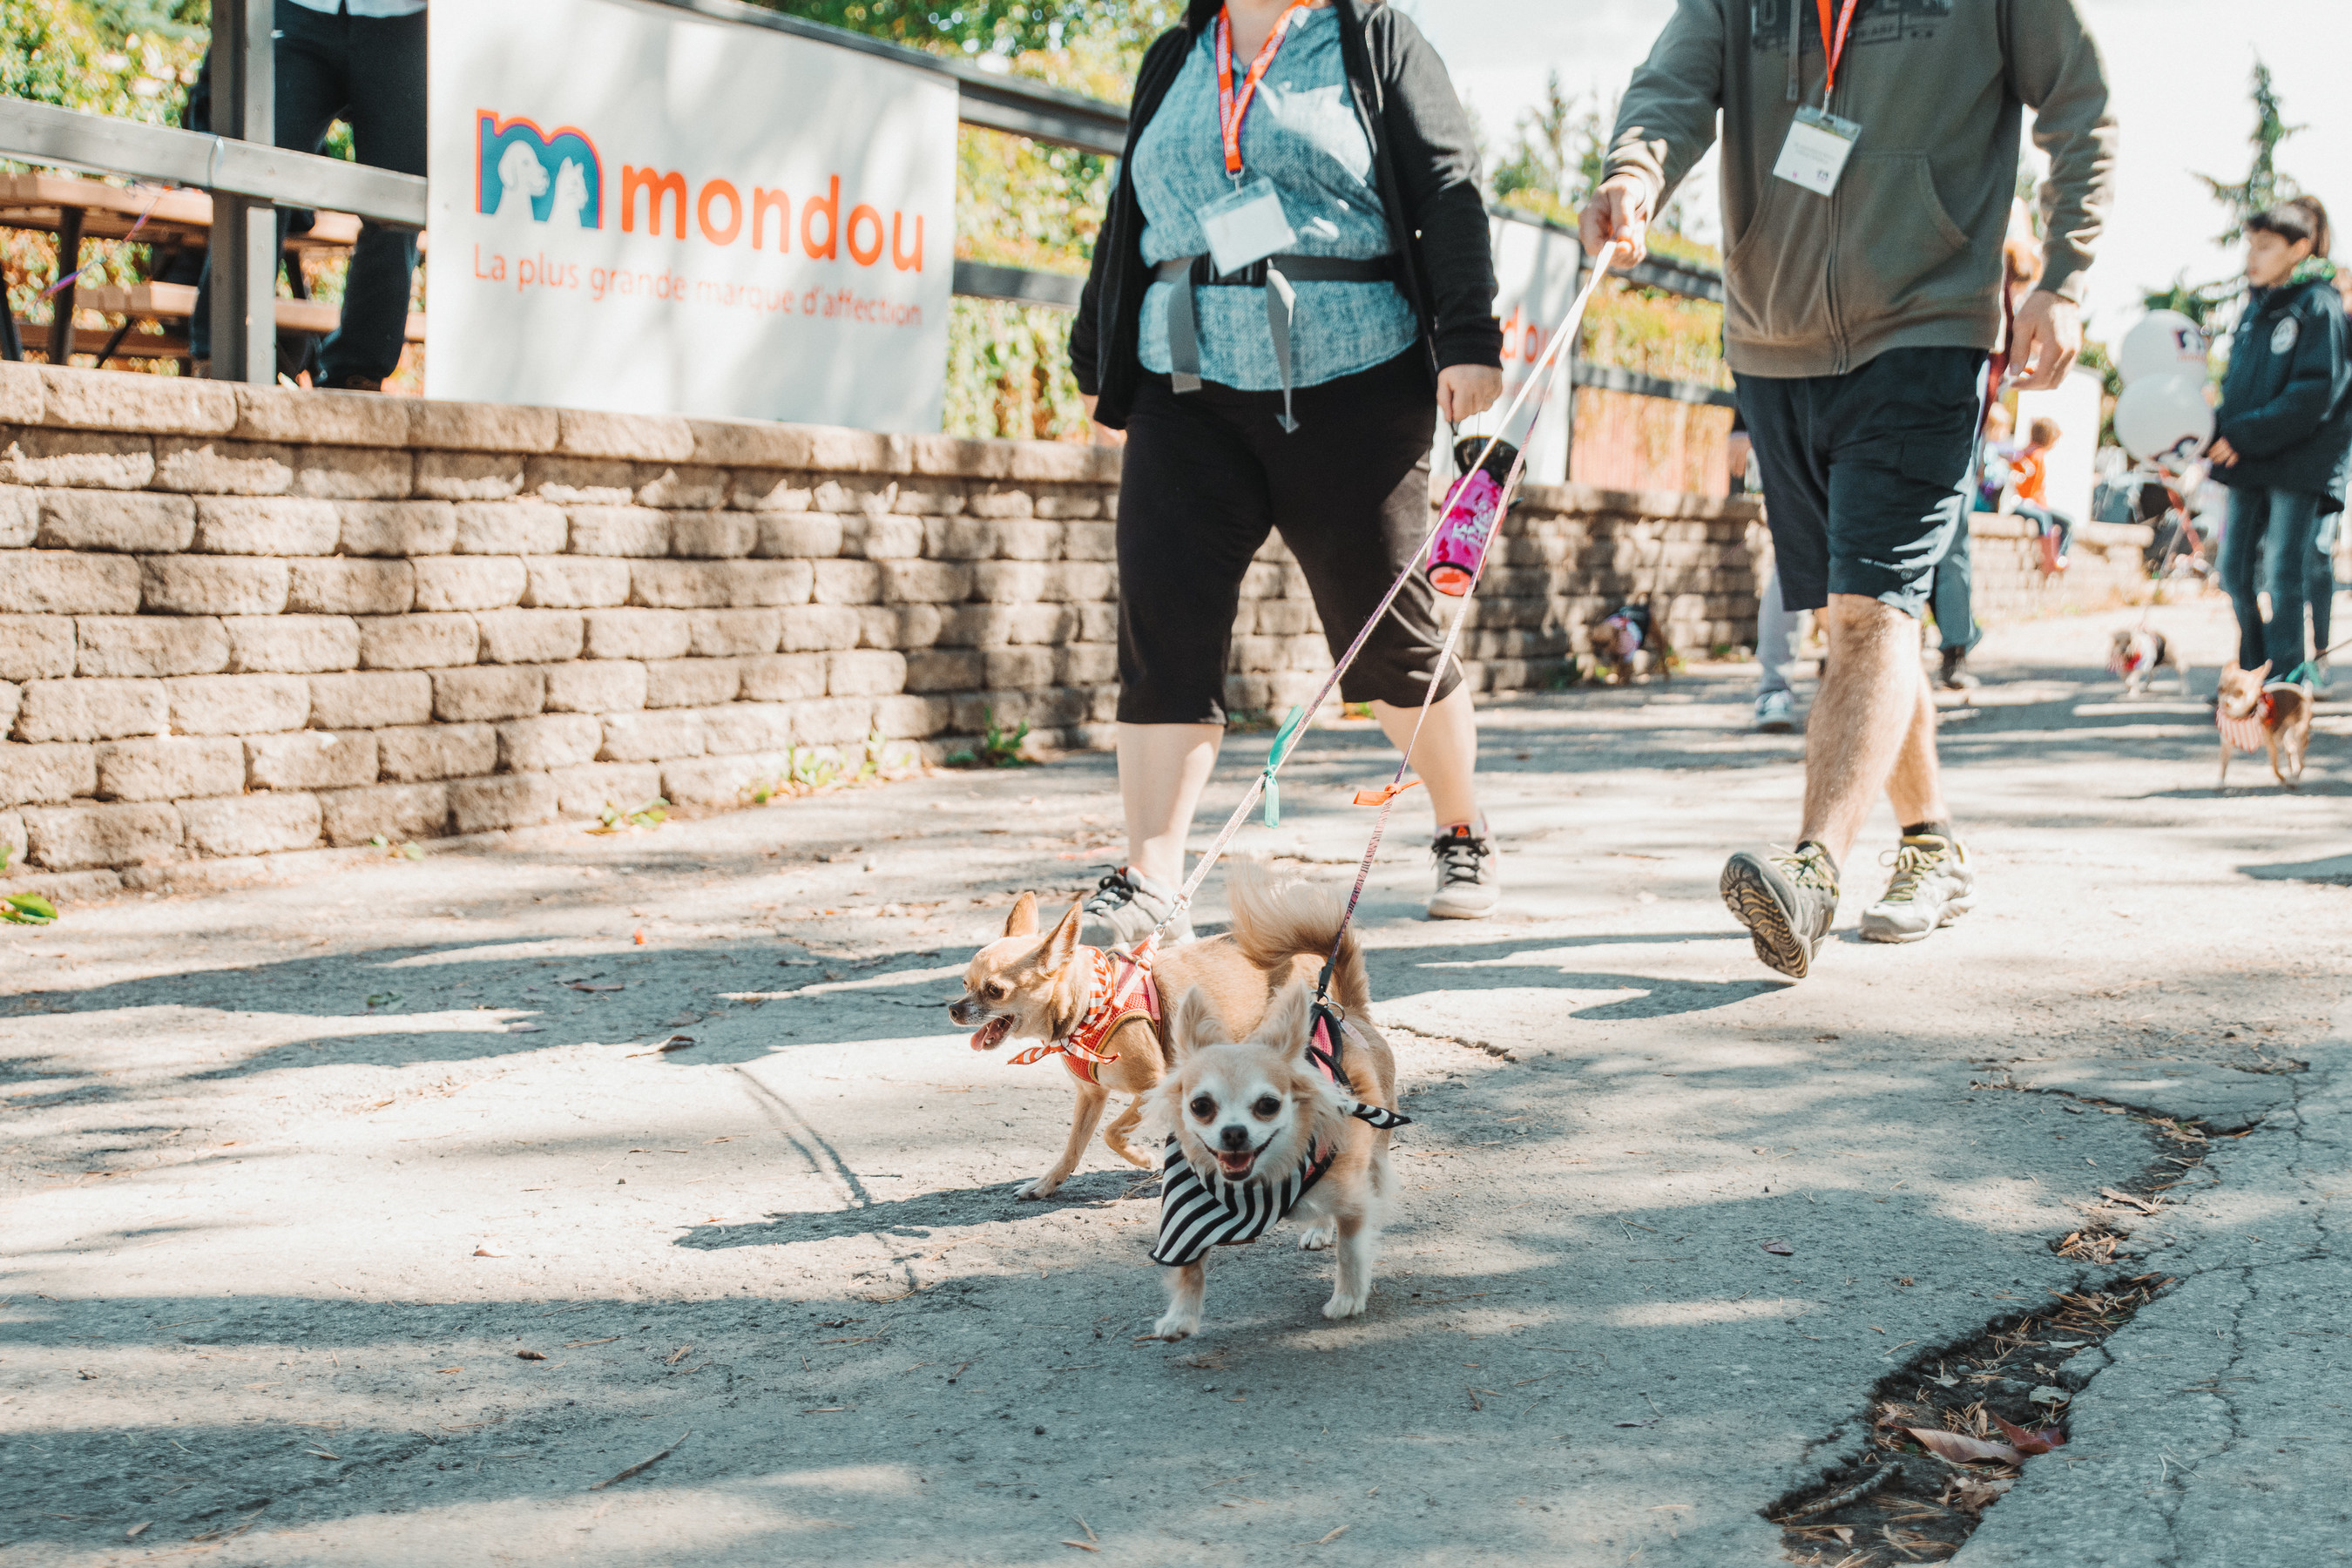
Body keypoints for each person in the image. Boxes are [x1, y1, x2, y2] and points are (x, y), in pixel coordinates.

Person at [1582, 0, 2115, 977]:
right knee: (1862, 616)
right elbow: (1671, 87)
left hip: (1925, 327)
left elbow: (2083, 105)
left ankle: (1811, 875)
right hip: (1772, 339)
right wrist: (1632, 173)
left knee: (1871, 611)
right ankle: (1932, 844)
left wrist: (2067, 277)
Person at [1069, 0, 1504, 943]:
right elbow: (1129, 214)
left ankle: (1461, 824)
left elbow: (1447, 187)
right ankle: (1150, 874)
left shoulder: (1370, 37)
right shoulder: (1179, 53)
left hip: (1353, 380)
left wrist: (1469, 336)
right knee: (1164, 622)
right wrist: (1096, 360)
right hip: (1183, 384)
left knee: (1384, 635)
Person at [191, 0, 428, 390]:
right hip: (298, 10)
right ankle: (220, 351)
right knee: (258, 174)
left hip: (403, 19)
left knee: (398, 204)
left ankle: (357, 373)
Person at [2208, 197, 2352, 687]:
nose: (2253, 256)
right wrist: (2217, 430)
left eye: (2266, 246)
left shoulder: (2319, 304)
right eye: (2251, 245)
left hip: (2296, 463)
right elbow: (2237, 387)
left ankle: (2286, 682)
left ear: (2299, 248)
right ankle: (2253, 672)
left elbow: (2315, 393)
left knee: (2283, 570)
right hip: (2247, 460)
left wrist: (2244, 434)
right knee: (2232, 572)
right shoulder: (2254, 309)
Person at [2008, 416, 2076, 569]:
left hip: (2031, 502)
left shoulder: (2024, 452)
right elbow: (2030, 485)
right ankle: (2054, 558)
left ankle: (2055, 557)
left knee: (2062, 522)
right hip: (2032, 502)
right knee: (2064, 522)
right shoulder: (2037, 455)